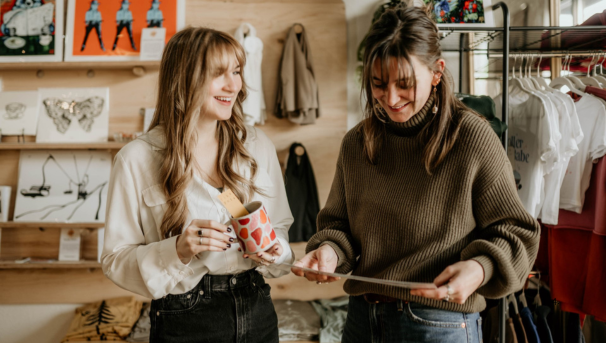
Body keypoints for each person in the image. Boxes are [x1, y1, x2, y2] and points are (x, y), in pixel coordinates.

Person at [293, 5, 540, 343]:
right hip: (362, 321)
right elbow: (338, 227)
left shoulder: (471, 137)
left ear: (437, 72)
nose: (390, 98)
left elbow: (517, 232)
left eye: (404, 84)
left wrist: (480, 268)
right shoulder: (356, 143)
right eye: (378, 84)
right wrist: (330, 253)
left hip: (439, 325)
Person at [102, 27, 294, 343]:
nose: (235, 85)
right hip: (184, 320)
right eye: (219, 74)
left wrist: (274, 250)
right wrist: (176, 249)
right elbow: (115, 259)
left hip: (257, 309)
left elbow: (280, 228)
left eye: (236, 71)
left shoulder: (258, 145)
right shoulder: (135, 159)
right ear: (184, 80)